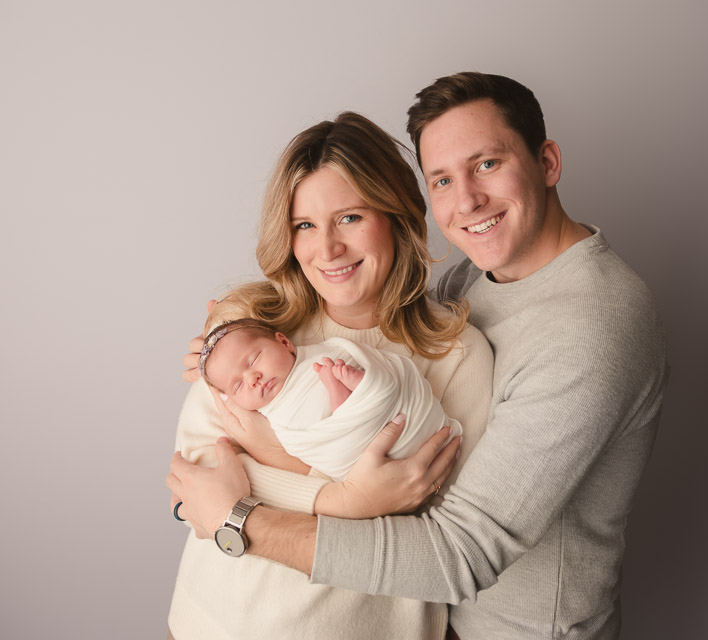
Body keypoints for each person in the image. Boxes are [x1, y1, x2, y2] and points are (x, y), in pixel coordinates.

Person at [168, 72, 669, 640]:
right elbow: (193, 481)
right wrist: (337, 496)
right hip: (207, 622)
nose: (467, 201)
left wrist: (248, 506)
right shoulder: (466, 285)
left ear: (548, 162)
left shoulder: (588, 327)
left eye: (487, 164)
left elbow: (453, 544)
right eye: (443, 180)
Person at [166, 111, 493, 640]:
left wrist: (263, 465)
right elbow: (195, 478)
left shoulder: (456, 355)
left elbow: (441, 539)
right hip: (211, 623)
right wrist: (350, 501)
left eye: (350, 218)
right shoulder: (246, 329)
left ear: (396, 215)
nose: (327, 249)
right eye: (305, 226)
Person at [198, 316, 463, 481]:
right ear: (229, 399)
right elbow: (200, 483)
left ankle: (363, 390)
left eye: (254, 359)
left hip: (410, 424)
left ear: (284, 342)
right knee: (333, 414)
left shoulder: (320, 356)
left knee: (349, 372)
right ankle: (350, 399)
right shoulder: (264, 418)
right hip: (345, 450)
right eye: (238, 385)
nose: (252, 378)